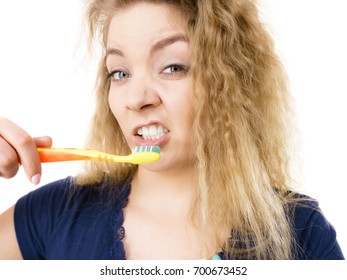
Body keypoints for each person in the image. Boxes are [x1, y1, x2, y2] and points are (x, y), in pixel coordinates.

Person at [0, 0, 344, 260]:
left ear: (231, 83)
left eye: (173, 67)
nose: (136, 99)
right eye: (119, 72)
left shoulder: (301, 230)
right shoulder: (56, 212)